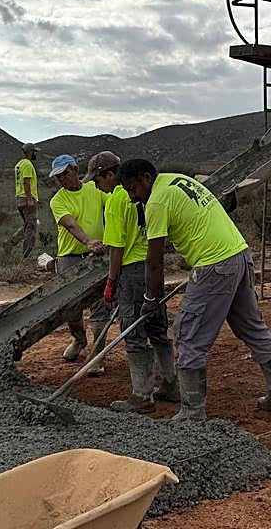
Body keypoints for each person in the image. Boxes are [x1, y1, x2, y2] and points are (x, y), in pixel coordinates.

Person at [119, 158, 271, 422]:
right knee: (250, 325)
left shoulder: (156, 201)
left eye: (133, 189)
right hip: (239, 254)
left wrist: (150, 299)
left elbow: (155, 263)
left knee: (187, 335)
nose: (132, 198)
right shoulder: (177, 179)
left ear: (146, 178)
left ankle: (192, 412)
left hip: (214, 265)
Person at [87, 150, 179, 413]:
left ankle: (142, 394)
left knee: (133, 332)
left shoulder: (117, 200)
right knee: (157, 328)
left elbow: (115, 248)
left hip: (131, 271)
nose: (97, 185)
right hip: (152, 271)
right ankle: (171, 384)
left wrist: (111, 282)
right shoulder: (145, 194)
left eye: (98, 180)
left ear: (110, 175)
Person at [48, 153, 114, 373]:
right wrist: (88, 241)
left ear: (75, 170)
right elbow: (70, 224)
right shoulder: (58, 200)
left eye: (65, 174)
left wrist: (113, 238)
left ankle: (97, 357)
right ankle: (79, 340)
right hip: (70, 256)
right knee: (71, 307)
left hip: (98, 255)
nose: (62, 179)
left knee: (100, 306)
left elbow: (113, 207)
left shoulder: (95, 189)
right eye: (58, 177)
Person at [12, 143, 40, 258]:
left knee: (27, 224)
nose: (35, 154)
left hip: (19, 198)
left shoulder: (19, 164)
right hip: (27, 198)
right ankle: (26, 255)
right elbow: (26, 182)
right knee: (31, 227)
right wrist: (30, 199)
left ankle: (11, 242)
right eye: (34, 151)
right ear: (30, 152)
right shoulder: (28, 164)